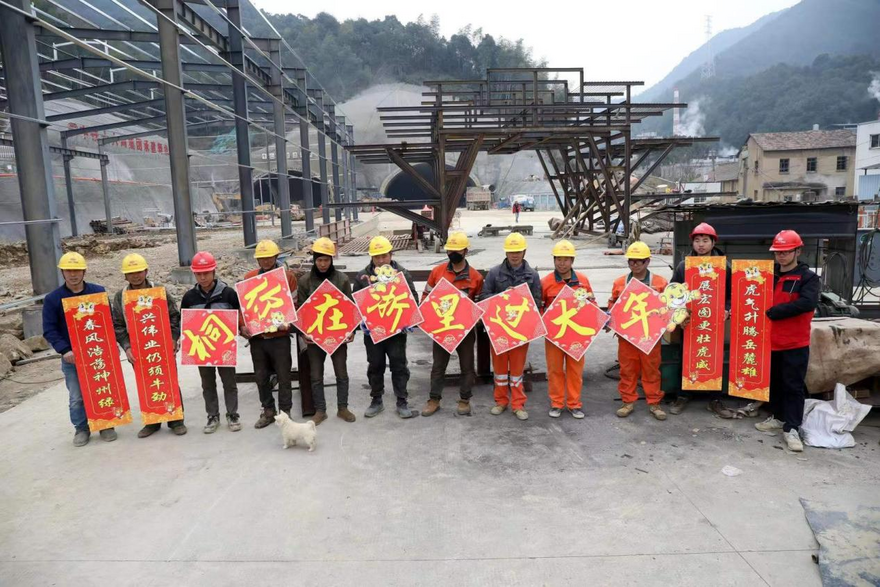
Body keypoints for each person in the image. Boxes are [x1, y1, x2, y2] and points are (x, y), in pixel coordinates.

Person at [754, 230, 819, 453]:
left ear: (797, 251)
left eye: (786, 252)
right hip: (769, 342)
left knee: (793, 386)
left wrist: (777, 311)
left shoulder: (808, 278)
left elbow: (808, 303)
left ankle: (792, 428)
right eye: (777, 252)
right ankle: (779, 417)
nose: (781, 256)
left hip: (794, 343)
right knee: (774, 383)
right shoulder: (768, 275)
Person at [110, 253, 186, 438]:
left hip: (161, 347)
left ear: (146, 271)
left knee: (169, 381)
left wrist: (173, 338)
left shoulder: (159, 290)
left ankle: (176, 420)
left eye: (139, 271)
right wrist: (127, 347)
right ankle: (152, 421)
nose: (135, 276)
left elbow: (174, 316)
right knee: (146, 383)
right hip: (138, 350)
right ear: (125, 276)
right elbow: (118, 325)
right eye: (131, 273)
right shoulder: (121, 296)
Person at [42, 252, 113, 447]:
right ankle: (82, 428)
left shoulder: (97, 292)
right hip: (72, 357)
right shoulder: (53, 299)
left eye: (77, 270)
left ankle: (106, 423)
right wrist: (65, 350)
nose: (73, 275)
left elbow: (108, 321)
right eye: (68, 271)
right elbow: (49, 329)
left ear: (84, 271)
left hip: (97, 353)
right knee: (77, 396)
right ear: (63, 273)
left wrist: (110, 345)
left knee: (102, 388)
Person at [669, 222, 733, 417]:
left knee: (714, 356)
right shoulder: (684, 266)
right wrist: (680, 315)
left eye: (705, 240)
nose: (701, 245)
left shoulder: (724, 267)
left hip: (713, 322)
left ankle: (714, 398)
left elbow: (731, 294)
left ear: (713, 243)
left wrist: (727, 309)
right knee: (686, 355)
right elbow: (674, 292)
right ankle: (683, 395)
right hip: (691, 321)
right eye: (697, 241)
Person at [352, 235, 419, 419]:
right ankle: (376, 399)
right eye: (377, 257)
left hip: (396, 332)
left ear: (391, 254)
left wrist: (408, 319)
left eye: (384, 256)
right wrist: (363, 322)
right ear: (371, 258)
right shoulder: (362, 277)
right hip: (373, 332)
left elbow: (414, 299)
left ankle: (402, 400)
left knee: (399, 365)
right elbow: (355, 304)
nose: (381, 260)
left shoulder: (402, 275)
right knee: (375, 364)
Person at [420, 231, 484, 418]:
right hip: (442, 328)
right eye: (450, 250)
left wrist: (475, 318)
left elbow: (479, 305)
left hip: (465, 331)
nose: (452, 254)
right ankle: (434, 400)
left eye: (457, 251)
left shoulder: (475, 277)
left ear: (465, 251)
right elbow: (426, 298)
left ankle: (465, 400)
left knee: (467, 366)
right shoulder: (437, 272)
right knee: (438, 366)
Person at [480, 232, 542, 421]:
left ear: (524, 252)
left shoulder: (532, 275)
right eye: (510, 252)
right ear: (506, 253)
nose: (514, 255)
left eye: (517, 252)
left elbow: (537, 301)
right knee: (499, 369)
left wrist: (522, 301)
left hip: (520, 330)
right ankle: (501, 401)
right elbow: (483, 297)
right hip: (499, 329)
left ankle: (518, 404)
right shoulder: (494, 273)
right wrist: (502, 297)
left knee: (516, 370)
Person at [180, 251, 242, 434]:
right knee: (207, 383)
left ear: (214, 272)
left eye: (206, 273)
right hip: (202, 349)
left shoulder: (228, 294)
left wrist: (242, 329)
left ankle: (233, 414)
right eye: (199, 274)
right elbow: (186, 324)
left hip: (224, 349)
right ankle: (212, 415)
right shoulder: (189, 298)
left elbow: (239, 318)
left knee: (229, 382)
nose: (203, 277)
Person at [296, 237, 356, 425]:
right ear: (314, 260)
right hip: (315, 337)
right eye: (319, 260)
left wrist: (352, 330)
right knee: (316, 375)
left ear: (332, 260)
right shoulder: (305, 281)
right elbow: (301, 310)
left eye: (326, 260)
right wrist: (303, 333)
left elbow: (350, 307)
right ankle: (320, 410)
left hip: (337, 335)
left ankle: (342, 407)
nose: (322, 264)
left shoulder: (342, 279)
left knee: (341, 372)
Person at [609, 241, 669, 421]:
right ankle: (628, 401)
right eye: (631, 261)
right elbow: (613, 304)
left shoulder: (659, 282)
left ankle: (654, 402)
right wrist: (610, 317)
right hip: (627, 336)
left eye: (639, 261)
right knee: (628, 368)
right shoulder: (620, 282)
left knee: (651, 368)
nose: (634, 265)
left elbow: (668, 307)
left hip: (650, 336)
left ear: (647, 262)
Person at [243, 240, 298, 429]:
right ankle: (268, 411)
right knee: (261, 376)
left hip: (279, 338)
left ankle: (285, 412)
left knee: (284, 376)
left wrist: (288, 323)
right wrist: (243, 328)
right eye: (261, 258)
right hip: (258, 339)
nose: (265, 261)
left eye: (269, 257)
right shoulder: (249, 278)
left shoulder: (287, 277)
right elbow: (244, 310)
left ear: (276, 257)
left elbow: (294, 304)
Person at [541, 240, 594, 419]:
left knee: (575, 370)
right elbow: (540, 309)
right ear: (554, 260)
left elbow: (591, 306)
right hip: (554, 335)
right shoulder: (546, 282)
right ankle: (556, 403)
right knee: (555, 369)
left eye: (566, 259)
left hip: (576, 335)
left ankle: (574, 404)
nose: (562, 263)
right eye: (558, 259)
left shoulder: (583, 281)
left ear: (572, 260)